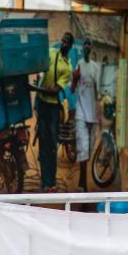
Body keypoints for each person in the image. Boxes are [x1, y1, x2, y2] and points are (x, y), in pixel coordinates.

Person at [30, 31, 73, 191]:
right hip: (42, 104)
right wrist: (38, 76)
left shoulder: (67, 68)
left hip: (53, 108)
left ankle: (51, 183)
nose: (64, 44)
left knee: (52, 146)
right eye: (63, 40)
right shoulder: (51, 53)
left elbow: (56, 90)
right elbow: (40, 63)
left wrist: (36, 88)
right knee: (43, 145)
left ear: (70, 46)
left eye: (67, 42)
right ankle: (44, 183)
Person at [71, 38, 101, 190]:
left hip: (93, 116)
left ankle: (81, 182)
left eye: (90, 44)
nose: (87, 47)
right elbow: (72, 89)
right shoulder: (79, 65)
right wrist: (75, 79)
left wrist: (99, 113)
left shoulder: (96, 67)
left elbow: (98, 91)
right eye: (85, 44)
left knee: (88, 151)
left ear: (92, 48)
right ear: (83, 48)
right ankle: (83, 186)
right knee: (83, 149)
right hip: (81, 114)